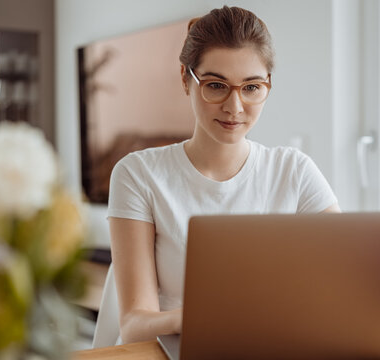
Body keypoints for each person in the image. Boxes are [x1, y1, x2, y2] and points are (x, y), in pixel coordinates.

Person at [107, 5, 340, 344]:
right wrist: (225, 318)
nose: (235, 107)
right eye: (216, 86)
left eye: (251, 87)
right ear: (186, 80)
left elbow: (346, 283)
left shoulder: (295, 171)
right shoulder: (138, 174)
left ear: (268, 85)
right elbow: (134, 325)